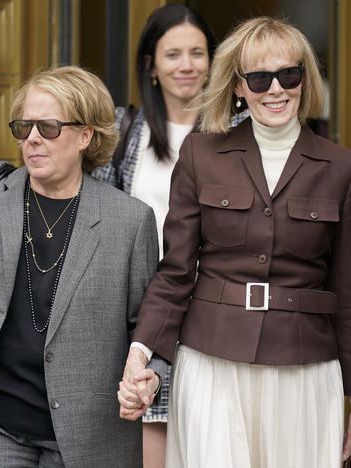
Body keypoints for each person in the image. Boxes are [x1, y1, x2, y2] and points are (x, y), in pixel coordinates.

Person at [117, 16, 351, 468]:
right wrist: (140, 354)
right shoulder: (200, 156)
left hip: (305, 367)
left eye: (288, 75)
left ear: (304, 79)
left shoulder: (344, 167)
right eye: (259, 78)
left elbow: (350, 294)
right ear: (239, 87)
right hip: (211, 363)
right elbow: (176, 272)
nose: (276, 89)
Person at [0, 66, 160, 468]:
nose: (33, 138)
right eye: (25, 127)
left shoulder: (130, 221)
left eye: (49, 127)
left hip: (86, 434)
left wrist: (150, 377)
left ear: (85, 136)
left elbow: (149, 327)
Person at [92, 5, 216, 466]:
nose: (187, 66)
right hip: (144, 318)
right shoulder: (126, 135)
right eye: (173, 54)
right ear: (151, 64)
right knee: (152, 450)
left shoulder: (238, 133)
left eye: (198, 53)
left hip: (215, 316)